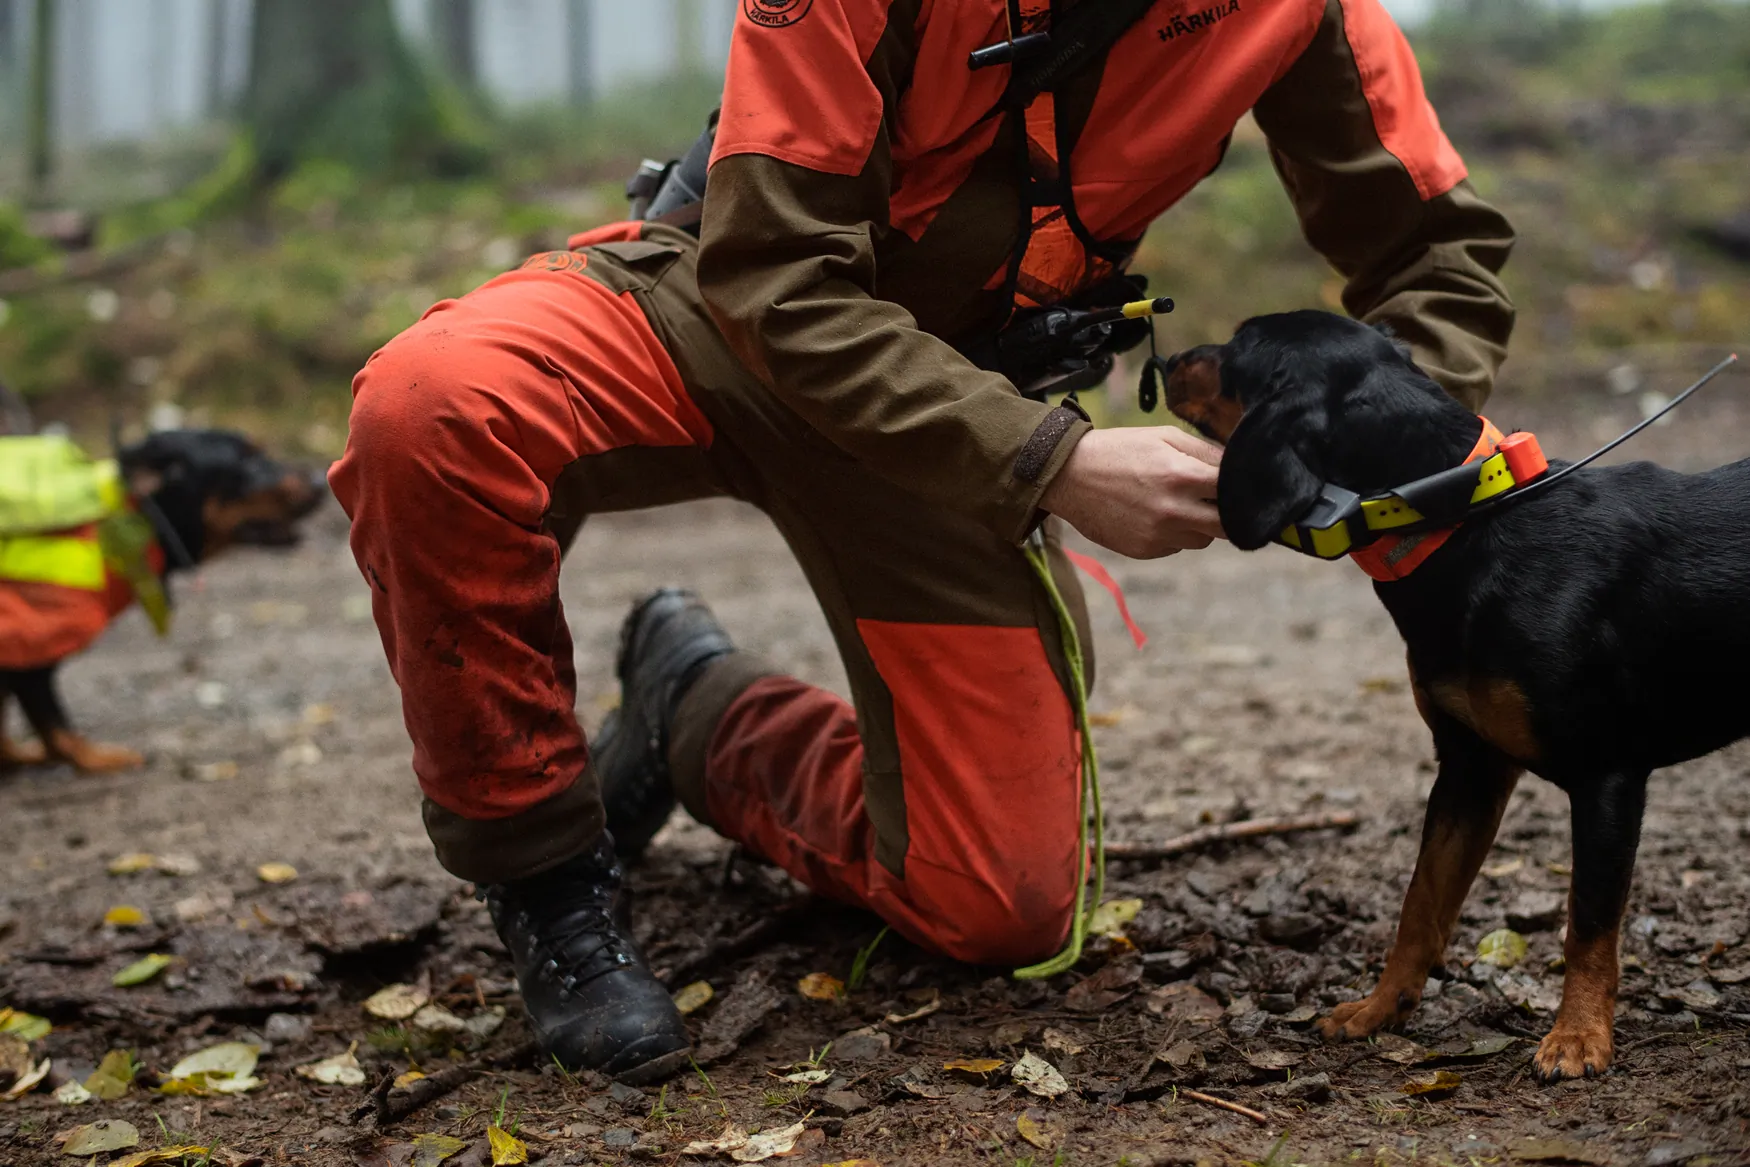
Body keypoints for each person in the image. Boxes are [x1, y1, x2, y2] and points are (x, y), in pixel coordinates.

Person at [330, 0, 1515, 1083]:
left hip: (954, 403)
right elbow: (778, 278)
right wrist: (1054, 463)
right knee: (431, 408)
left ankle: (692, 709)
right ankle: (546, 880)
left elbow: (1437, 257)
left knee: (1003, 905)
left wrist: (1368, 443)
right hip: (720, 310)